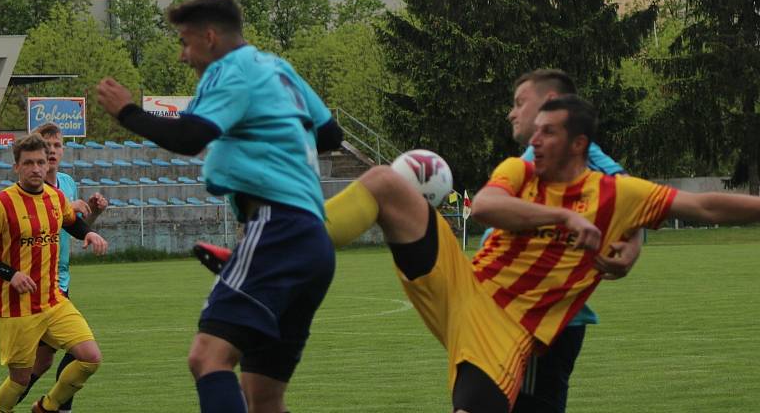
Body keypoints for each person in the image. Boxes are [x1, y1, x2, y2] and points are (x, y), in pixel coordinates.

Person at [323, 94, 760, 412]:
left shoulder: (616, 194)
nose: (536, 140)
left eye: (548, 132)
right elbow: (486, 208)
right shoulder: (519, 170)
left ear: (578, 144)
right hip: (461, 287)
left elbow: (703, 205)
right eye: (536, 132)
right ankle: (288, 238)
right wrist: (565, 220)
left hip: (504, 332)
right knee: (383, 182)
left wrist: (632, 243)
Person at [96, 0, 343, 413]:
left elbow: (191, 137)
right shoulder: (279, 69)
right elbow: (330, 134)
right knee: (264, 396)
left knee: (208, 357)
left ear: (210, 38)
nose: (182, 56)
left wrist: (128, 112)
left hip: (276, 228)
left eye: (185, 42)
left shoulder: (229, 69)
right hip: (311, 241)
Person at [502, 69, 642, 412]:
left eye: (520, 102)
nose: (511, 112)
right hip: (513, 312)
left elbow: (631, 193)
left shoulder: (577, 151)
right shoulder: (534, 157)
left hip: (540, 316)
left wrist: (633, 244)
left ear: (551, 104)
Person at [0, 133, 108, 413]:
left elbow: (70, 222)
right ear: (16, 167)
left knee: (90, 358)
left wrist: (89, 232)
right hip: (19, 310)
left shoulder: (55, 197)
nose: (35, 168)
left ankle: (48, 407)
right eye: (28, 163)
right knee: (19, 380)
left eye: (40, 162)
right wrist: (11, 274)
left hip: (54, 301)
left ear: (47, 165)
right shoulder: (2, 204)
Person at [15, 123, 109, 412]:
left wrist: (92, 218)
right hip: (39, 282)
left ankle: (12, 406)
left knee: (41, 362)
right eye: (47, 146)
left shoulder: (67, 183)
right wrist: (68, 206)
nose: (53, 151)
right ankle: (52, 408)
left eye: (57, 146)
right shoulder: (34, 189)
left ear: (63, 150)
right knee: (80, 350)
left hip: (62, 279)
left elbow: (72, 230)